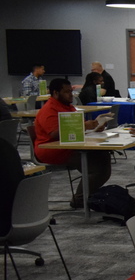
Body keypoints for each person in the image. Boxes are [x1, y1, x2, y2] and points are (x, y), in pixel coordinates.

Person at [32, 78, 112, 209]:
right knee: (99, 165)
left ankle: (86, 194)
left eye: (71, 91)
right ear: (55, 93)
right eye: (66, 92)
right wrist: (84, 126)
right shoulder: (49, 110)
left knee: (101, 155)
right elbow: (54, 133)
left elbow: (76, 127)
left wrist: (95, 126)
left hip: (70, 145)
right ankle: (80, 199)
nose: (71, 94)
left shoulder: (67, 107)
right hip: (53, 150)